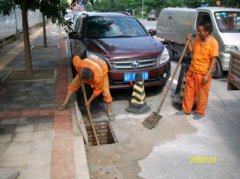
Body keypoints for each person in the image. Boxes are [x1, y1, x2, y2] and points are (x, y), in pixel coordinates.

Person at [175, 21, 219, 120]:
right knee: (188, 92)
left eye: (200, 31)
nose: (198, 33)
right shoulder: (198, 39)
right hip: (192, 71)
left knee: (202, 94)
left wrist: (207, 75)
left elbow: (213, 61)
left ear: (207, 31)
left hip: (203, 73)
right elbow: (191, 51)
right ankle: (186, 110)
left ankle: (200, 112)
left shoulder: (213, 43)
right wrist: (189, 41)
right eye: (198, 31)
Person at [58, 55, 114, 121]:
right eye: (83, 80)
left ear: (91, 77)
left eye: (86, 81)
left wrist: (89, 101)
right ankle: (65, 103)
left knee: (106, 92)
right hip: (89, 63)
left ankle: (109, 112)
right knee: (73, 85)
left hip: (102, 67)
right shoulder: (79, 66)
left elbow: (97, 91)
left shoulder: (98, 77)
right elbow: (76, 57)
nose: (84, 82)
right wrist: (81, 77)